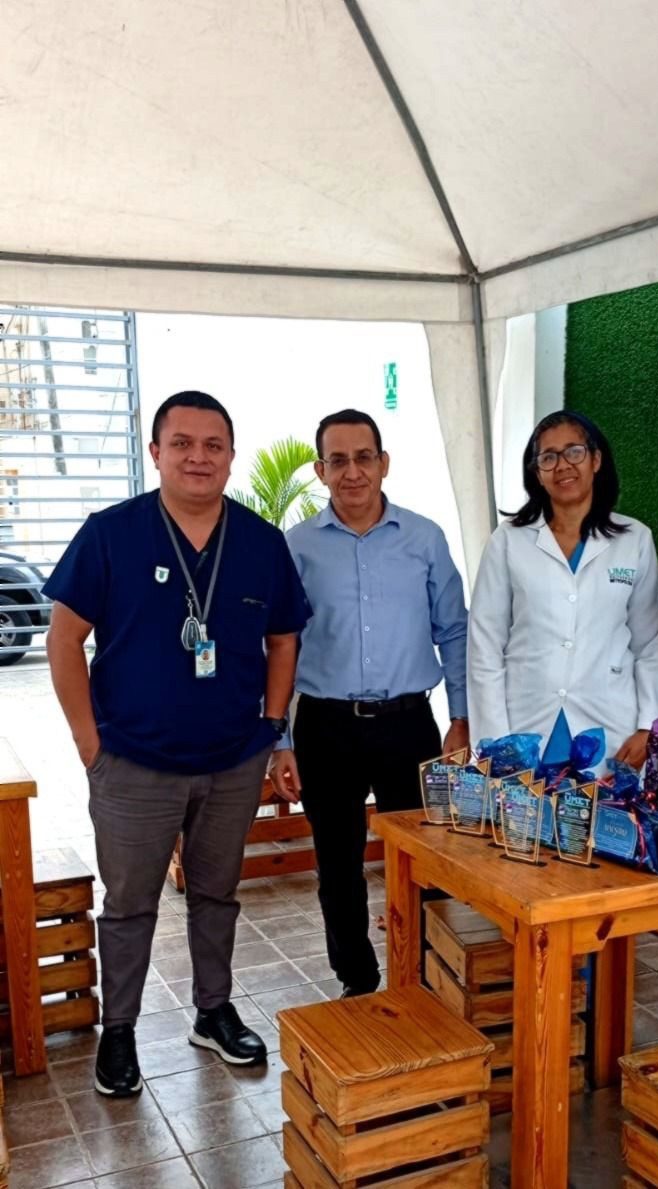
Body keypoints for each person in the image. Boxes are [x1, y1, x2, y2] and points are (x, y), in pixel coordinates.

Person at [44, 391, 310, 1098]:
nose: (198, 457)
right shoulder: (111, 534)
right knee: (130, 904)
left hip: (232, 760)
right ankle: (120, 1031)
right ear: (156, 452)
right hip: (133, 762)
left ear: (231, 455)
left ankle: (213, 1011)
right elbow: (63, 639)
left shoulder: (260, 542)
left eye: (213, 444)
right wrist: (90, 744)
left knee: (217, 893)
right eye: (183, 443)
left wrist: (270, 726)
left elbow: (284, 639)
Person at [268, 409, 468, 997]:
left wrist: (461, 719)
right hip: (326, 727)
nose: (352, 472)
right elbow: (277, 645)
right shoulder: (297, 547)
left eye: (363, 458)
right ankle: (357, 980)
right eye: (338, 460)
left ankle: (426, 977)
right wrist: (280, 740)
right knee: (337, 864)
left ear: (383, 463)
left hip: (409, 725)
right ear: (320, 470)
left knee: (426, 858)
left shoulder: (424, 538)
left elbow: (454, 630)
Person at [467, 409, 658, 771]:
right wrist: (494, 740)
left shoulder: (634, 540)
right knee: (524, 808)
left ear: (596, 460)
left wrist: (648, 726)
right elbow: (485, 646)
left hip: (611, 726)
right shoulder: (508, 541)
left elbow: (649, 643)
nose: (562, 466)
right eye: (548, 457)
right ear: (537, 473)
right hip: (524, 723)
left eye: (574, 452)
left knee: (604, 808)